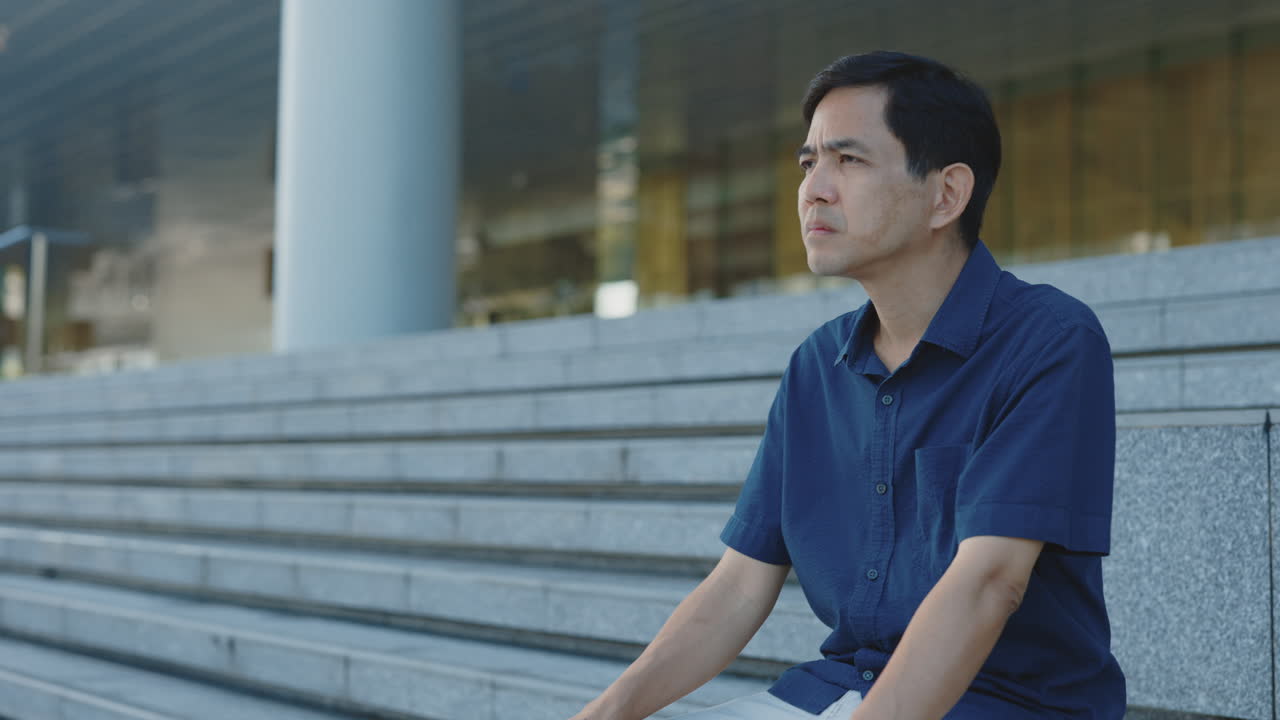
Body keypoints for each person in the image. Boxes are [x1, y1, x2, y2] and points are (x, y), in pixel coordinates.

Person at [569, 50, 1125, 720]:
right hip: (836, 691)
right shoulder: (818, 366)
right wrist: (607, 712)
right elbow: (741, 586)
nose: (813, 189)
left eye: (848, 160)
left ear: (946, 194)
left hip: (1006, 704)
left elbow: (988, 585)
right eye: (809, 163)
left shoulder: (1048, 339)